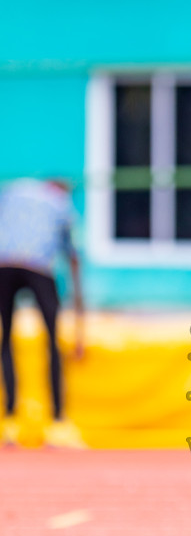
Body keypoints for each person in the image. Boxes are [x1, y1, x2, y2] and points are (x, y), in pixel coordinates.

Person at [0, 178, 84, 448]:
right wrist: (79, 305)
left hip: (4, 265)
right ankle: (58, 421)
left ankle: (10, 422)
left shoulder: (13, 190)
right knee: (52, 341)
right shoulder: (60, 201)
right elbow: (73, 254)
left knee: (5, 341)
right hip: (38, 267)